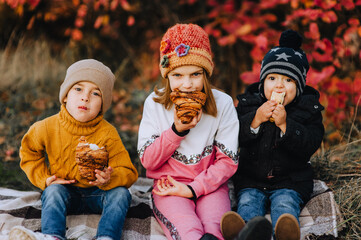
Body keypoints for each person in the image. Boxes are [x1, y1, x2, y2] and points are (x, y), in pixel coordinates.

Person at [137, 23, 245, 240]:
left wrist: (194, 189)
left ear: (206, 73)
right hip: (169, 186)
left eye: (195, 74)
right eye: (178, 75)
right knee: (188, 229)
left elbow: (227, 161)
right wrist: (176, 131)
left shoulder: (223, 104)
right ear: (167, 75)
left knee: (216, 228)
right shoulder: (155, 104)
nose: (187, 84)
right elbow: (148, 160)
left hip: (210, 185)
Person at [9, 59, 138, 240]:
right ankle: (53, 235)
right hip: (65, 192)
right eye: (78, 89)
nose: (85, 97)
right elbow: (28, 151)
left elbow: (128, 171)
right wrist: (44, 178)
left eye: (95, 93)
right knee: (52, 192)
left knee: (121, 194)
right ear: (65, 96)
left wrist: (110, 178)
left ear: (103, 105)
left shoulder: (108, 133)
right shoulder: (46, 127)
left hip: (98, 194)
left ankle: (107, 236)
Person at [221, 29, 325, 240]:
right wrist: (255, 120)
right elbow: (232, 137)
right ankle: (246, 232)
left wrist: (286, 125)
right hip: (251, 178)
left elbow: (310, 144)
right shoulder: (249, 105)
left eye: (288, 80)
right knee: (248, 201)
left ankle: (285, 231)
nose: (279, 85)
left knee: (285, 203)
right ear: (262, 82)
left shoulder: (307, 110)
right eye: (272, 78)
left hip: (290, 180)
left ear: (299, 86)